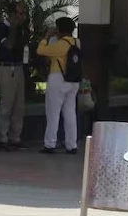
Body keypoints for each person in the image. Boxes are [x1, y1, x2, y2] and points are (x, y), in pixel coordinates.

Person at [37, 16, 81, 154]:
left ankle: (50, 144)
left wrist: (46, 37)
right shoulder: (76, 42)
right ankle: (71, 145)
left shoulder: (61, 44)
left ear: (60, 29)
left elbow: (41, 50)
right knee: (70, 113)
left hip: (58, 79)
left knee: (53, 113)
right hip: (73, 81)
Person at [0, 1, 29, 151]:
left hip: (18, 67)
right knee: (6, 104)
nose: (23, 17)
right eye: (20, 13)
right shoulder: (2, 28)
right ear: (12, 14)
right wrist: (13, 28)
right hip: (6, 68)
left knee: (19, 105)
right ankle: (2, 137)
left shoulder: (21, 29)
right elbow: (9, 45)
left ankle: (15, 137)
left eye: (24, 13)